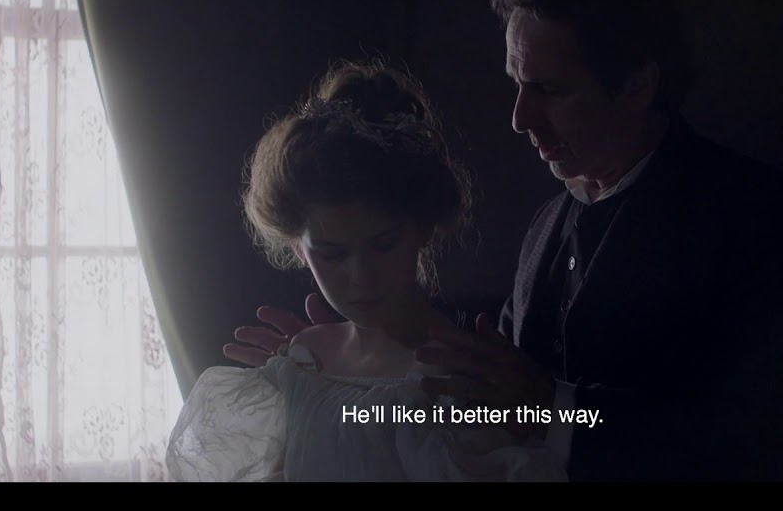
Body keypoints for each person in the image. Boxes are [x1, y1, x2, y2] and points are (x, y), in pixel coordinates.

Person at [227, 0, 783, 481]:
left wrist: (554, 408)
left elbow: (762, 433)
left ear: (638, 85)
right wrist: (341, 381)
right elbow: (489, 411)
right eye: (516, 83)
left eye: (550, 90)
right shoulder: (545, 227)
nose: (520, 118)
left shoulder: (752, 212)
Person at [166, 60, 567, 482]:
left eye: (383, 245)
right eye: (332, 254)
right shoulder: (300, 364)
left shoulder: (461, 381)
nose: (361, 278)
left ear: (423, 228)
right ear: (299, 250)